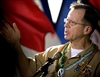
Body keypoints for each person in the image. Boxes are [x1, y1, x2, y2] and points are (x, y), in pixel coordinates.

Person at [0, 1, 100, 77]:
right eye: (66, 20)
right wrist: (16, 44)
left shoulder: (97, 60)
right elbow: (27, 71)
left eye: (72, 22)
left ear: (87, 30)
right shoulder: (54, 52)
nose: (66, 25)